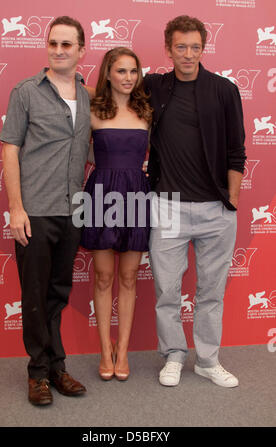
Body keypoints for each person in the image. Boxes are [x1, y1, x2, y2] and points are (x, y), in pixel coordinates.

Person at [144, 15, 246, 387]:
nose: (188, 54)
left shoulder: (223, 89)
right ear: (168, 49)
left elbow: (237, 150)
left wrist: (230, 200)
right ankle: (173, 355)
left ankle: (207, 359)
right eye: (181, 47)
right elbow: (112, 90)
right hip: (168, 206)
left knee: (211, 293)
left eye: (195, 47)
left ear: (204, 48)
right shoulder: (154, 86)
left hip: (215, 210)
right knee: (167, 291)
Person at [0, 16, 91, 406]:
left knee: (57, 293)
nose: (58, 50)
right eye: (53, 43)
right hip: (34, 210)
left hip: (72, 211)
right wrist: (16, 208)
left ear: (81, 51)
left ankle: (56, 367)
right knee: (35, 295)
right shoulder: (25, 92)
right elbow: (9, 149)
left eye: (67, 45)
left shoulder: (88, 95)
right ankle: (37, 372)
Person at [80, 47, 152, 381]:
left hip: (137, 195)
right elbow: (74, 85)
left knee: (128, 277)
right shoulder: (92, 109)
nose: (127, 78)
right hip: (100, 196)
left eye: (133, 71)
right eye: (120, 71)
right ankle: (103, 350)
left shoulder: (147, 111)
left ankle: (122, 353)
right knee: (104, 277)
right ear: (108, 73)